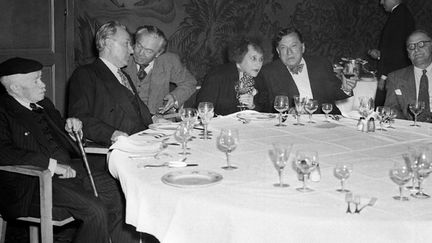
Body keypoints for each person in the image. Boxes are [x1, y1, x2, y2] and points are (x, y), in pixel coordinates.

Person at [0, 57, 137, 243]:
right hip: (31, 183)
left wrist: (72, 129)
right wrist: (52, 165)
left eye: (41, 78)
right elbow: (4, 152)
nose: (43, 85)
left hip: (68, 171)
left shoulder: (44, 104)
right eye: (36, 80)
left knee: (118, 194)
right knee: (94, 210)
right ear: (15, 88)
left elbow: (64, 140)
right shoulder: (3, 110)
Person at [68, 21, 153, 146]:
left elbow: (137, 111)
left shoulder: (124, 76)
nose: (131, 50)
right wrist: (112, 134)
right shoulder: (85, 74)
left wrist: (157, 120)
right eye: (126, 44)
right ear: (108, 43)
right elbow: (79, 118)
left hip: (142, 141)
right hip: (115, 149)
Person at [255, 27, 356, 114]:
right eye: (283, 47)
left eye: (293, 46)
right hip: (291, 127)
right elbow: (264, 108)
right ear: (278, 51)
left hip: (324, 121)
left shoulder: (321, 64)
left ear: (302, 47)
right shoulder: (268, 72)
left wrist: (346, 88)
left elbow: (334, 93)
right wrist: (287, 112)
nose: (289, 52)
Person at [123, 25, 197, 115]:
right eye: (139, 46)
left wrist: (174, 97)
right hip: (126, 118)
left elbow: (190, 83)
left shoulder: (169, 62)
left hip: (159, 119)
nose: (141, 53)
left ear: (158, 53)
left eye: (148, 51)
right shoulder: (122, 57)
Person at [196, 36, 264, 115]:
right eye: (253, 58)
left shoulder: (259, 78)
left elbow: (266, 110)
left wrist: (252, 106)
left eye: (261, 59)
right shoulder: (217, 76)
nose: (258, 64)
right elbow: (203, 109)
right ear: (240, 56)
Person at [368, 0, 415, 106]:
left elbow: (397, 52)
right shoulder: (401, 13)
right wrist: (381, 54)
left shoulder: (399, 16)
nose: (381, 2)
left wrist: (384, 76)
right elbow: (395, 47)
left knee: (386, 110)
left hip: (393, 75)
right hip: (395, 72)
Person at [385, 30, 432, 122]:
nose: (416, 49)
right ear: (408, 54)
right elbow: (391, 108)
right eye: (411, 46)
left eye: (421, 44)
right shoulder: (395, 78)